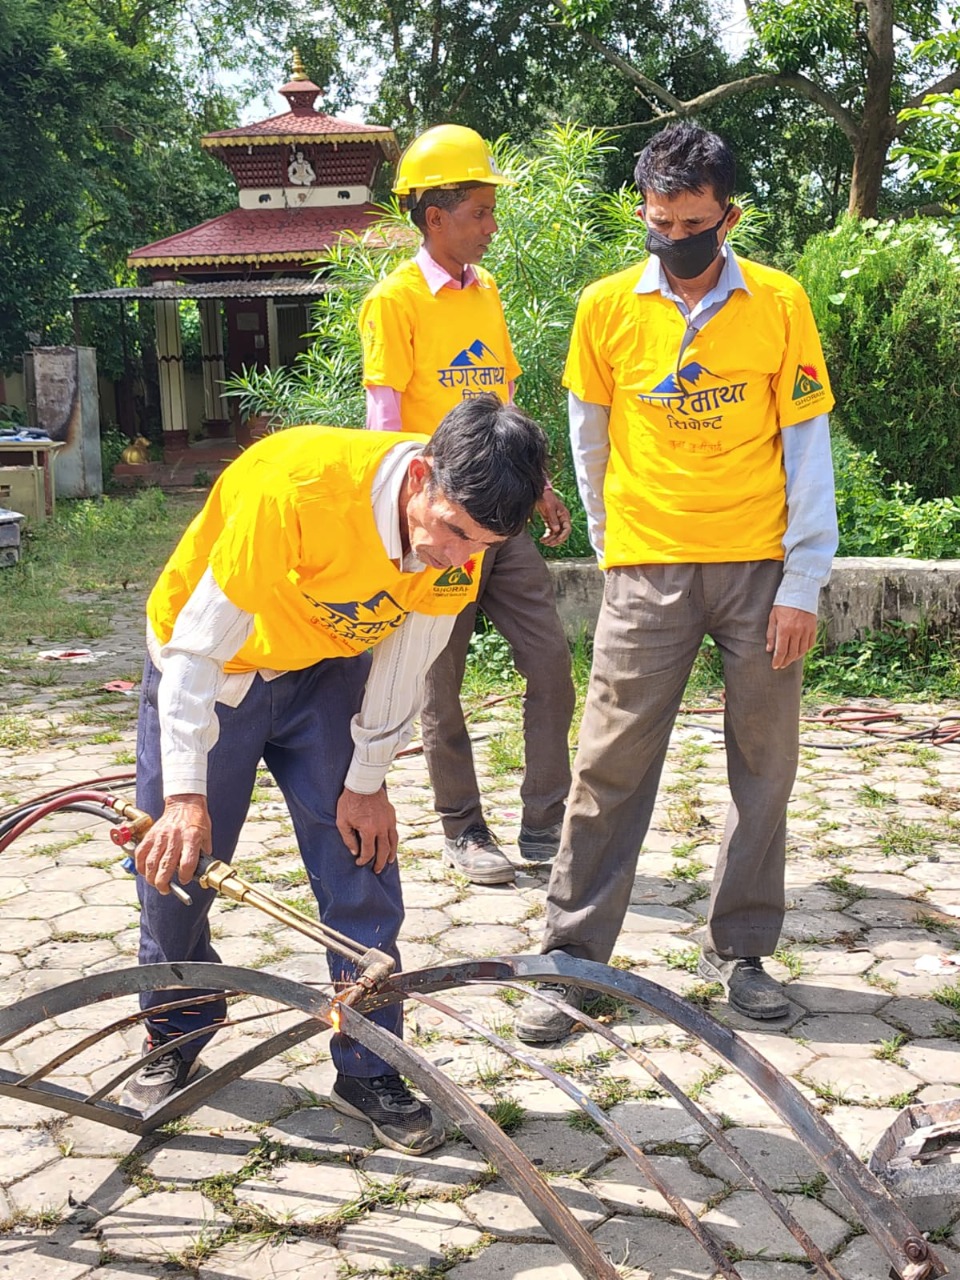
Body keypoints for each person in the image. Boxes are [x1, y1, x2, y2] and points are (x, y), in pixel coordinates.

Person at [127, 395, 548, 1155]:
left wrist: (368, 781)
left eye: (482, 544)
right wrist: (185, 796)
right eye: (454, 531)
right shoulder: (296, 490)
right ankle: (177, 1029)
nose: (460, 555)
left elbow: (408, 658)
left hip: (322, 667)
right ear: (419, 477)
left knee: (363, 858)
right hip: (214, 669)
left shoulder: (461, 536)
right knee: (176, 866)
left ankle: (369, 1064)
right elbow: (197, 648)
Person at [517, 122, 838, 1043]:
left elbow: (806, 447)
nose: (677, 240)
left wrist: (802, 581)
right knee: (608, 765)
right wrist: (615, 546)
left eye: (694, 225)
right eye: (661, 224)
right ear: (645, 214)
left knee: (765, 767)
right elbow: (588, 440)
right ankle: (572, 958)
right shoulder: (605, 309)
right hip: (647, 568)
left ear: (728, 217)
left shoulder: (780, 303)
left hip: (757, 570)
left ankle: (743, 950)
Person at [360, 123, 576, 888]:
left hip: (501, 518)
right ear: (435, 217)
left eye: (490, 210)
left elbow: (503, 400)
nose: (491, 225)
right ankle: (463, 828)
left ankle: (546, 821)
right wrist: (403, 522)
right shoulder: (395, 301)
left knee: (550, 662)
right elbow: (383, 420)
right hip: (440, 525)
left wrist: (537, 481)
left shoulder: (486, 293)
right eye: (480, 211)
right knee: (437, 681)